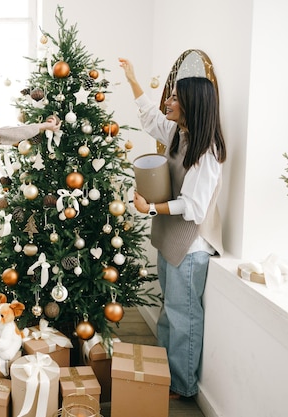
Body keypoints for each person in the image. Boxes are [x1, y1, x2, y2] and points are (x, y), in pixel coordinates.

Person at [119, 58, 226, 399]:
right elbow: (150, 117)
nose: (168, 101)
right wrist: (133, 80)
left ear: (192, 105)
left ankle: (182, 385)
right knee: (171, 312)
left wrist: (149, 207)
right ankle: (163, 374)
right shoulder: (180, 135)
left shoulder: (206, 154)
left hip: (191, 248)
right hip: (172, 240)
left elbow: (194, 209)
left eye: (175, 98)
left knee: (183, 318)